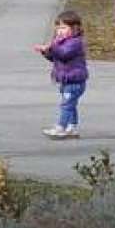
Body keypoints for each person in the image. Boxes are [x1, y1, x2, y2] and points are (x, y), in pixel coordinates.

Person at [35, 10, 89, 139]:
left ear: (74, 27)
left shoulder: (75, 42)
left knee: (66, 104)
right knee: (71, 104)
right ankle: (72, 126)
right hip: (66, 80)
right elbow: (55, 58)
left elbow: (64, 54)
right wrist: (46, 52)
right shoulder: (60, 41)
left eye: (63, 28)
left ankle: (61, 127)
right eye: (58, 28)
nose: (60, 31)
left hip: (74, 80)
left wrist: (51, 48)